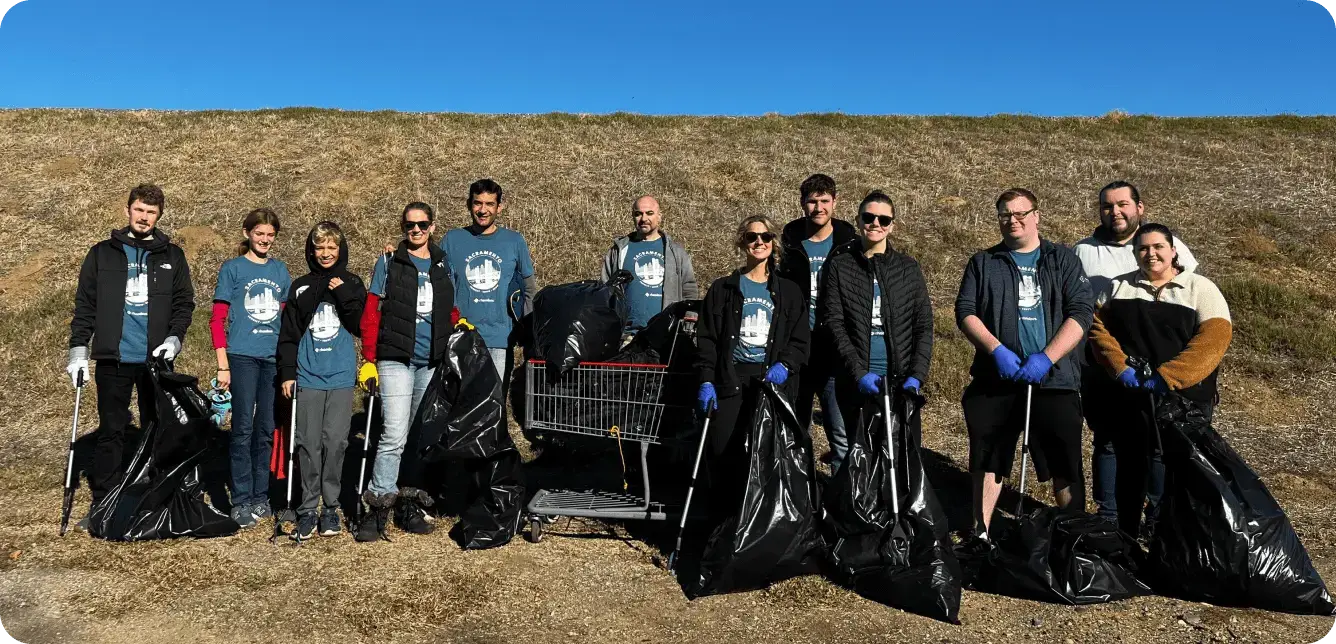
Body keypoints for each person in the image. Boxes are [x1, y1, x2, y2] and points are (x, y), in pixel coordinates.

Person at [954, 188, 1094, 550]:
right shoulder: (984, 262)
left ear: (1036, 216)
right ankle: (981, 533)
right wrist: (996, 350)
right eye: (1005, 214)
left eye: (1020, 214)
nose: (1012, 221)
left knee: (1064, 460)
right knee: (988, 456)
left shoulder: (1062, 259)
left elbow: (1081, 312)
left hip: (1054, 380)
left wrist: (1047, 357)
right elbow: (965, 311)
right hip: (997, 378)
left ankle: (1072, 537)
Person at [1087, 223, 1231, 539]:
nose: (1150, 254)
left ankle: (1165, 533)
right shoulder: (1118, 287)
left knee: (1172, 464)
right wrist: (1119, 367)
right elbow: (1097, 330)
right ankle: (1122, 532)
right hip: (1129, 396)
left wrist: (1168, 377)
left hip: (1184, 401)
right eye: (1142, 248)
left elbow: (1213, 340)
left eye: (1158, 247)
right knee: (1127, 463)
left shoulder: (1199, 288)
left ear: (1173, 251)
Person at [67, 184, 195, 523]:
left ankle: (153, 499)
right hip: (114, 358)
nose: (144, 217)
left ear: (159, 216)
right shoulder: (102, 253)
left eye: (151, 212)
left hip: (156, 360)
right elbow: (85, 306)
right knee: (111, 430)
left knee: (158, 428)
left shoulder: (172, 256)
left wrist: (174, 340)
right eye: (139, 210)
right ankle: (104, 502)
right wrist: (78, 353)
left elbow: (184, 304)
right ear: (128, 211)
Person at [1074, 181, 1199, 524]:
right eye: (1107, 206)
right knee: (1107, 441)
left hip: (1158, 363)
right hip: (1102, 363)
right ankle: (1109, 518)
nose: (1115, 212)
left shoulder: (1170, 245)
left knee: (1158, 442)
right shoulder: (1083, 251)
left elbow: (1187, 292)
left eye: (1122, 204)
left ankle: (1156, 518)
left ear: (1139, 208)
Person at [695, 215, 809, 513]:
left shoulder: (789, 292)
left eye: (766, 237)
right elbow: (707, 340)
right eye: (751, 237)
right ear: (742, 243)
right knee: (724, 454)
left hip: (770, 385)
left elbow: (800, 342)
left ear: (774, 243)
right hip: (730, 381)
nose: (759, 242)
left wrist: (785, 365)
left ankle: (758, 527)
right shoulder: (722, 289)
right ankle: (723, 523)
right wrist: (706, 379)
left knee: (765, 458)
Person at [356, 202, 456, 540]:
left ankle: (408, 504)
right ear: (403, 227)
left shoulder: (444, 264)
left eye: (422, 224)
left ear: (432, 227)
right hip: (396, 358)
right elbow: (371, 312)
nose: (416, 230)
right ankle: (378, 507)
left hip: (431, 361)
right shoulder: (388, 262)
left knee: (418, 437)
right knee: (394, 435)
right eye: (410, 225)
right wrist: (369, 359)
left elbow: (451, 309)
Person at [817, 191, 932, 459]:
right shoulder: (840, 266)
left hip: (900, 380)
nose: (875, 224)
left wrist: (916, 376)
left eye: (883, 219)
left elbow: (923, 325)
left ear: (892, 225)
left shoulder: (908, 268)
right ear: (858, 220)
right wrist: (858, 373)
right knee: (858, 457)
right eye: (868, 217)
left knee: (900, 458)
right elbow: (834, 323)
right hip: (855, 380)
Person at [277, 221, 366, 539]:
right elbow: (289, 334)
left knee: (336, 442)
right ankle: (307, 509)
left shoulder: (352, 282)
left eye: (332, 247)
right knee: (308, 443)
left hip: (340, 376)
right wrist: (288, 373)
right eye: (320, 247)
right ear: (311, 251)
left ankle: (330, 508)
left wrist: (340, 291)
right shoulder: (300, 286)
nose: (326, 253)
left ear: (340, 249)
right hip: (308, 375)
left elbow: (360, 325)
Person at [210, 208, 290, 529]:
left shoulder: (280, 270)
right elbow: (217, 320)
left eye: (270, 235)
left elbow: (287, 320)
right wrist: (223, 365)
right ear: (247, 233)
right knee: (242, 428)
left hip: (272, 360)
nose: (265, 240)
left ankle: (261, 495)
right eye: (259, 233)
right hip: (241, 357)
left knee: (266, 429)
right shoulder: (232, 269)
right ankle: (241, 499)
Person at [778, 173, 857, 469]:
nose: (818, 208)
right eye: (812, 201)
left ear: (835, 202)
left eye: (825, 201)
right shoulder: (790, 240)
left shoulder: (849, 242)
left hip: (834, 347)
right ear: (802, 204)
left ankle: (841, 494)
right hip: (798, 346)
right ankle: (800, 491)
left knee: (840, 433)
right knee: (795, 429)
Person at [441, 179, 537, 416]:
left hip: (500, 338)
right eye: (477, 203)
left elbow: (529, 289)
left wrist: (528, 330)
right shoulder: (452, 240)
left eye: (489, 204)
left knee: (493, 408)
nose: (483, 210)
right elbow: (440, 285)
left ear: (499, 207)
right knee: (461, 406)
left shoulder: (514, 241)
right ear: (469, 204)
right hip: (462, 338)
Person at [600, 195, 698, 333]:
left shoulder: (676, 252)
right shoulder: (619, 251)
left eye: (649, 213)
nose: (644, 218)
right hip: (626, 335)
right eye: (638, 214)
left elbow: (689, 290)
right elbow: (605, 290)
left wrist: (688, 325)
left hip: (665, 334)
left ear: (659, 216)